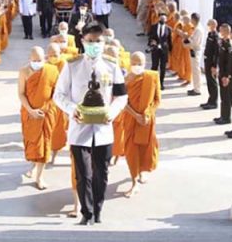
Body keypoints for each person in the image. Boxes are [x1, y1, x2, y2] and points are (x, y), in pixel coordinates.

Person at [54, 22, 128, 226]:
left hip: (103, 128)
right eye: (90, 41)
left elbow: (122, 96)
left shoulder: (112, 66)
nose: (94, 45)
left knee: (101, 173)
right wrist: (72, 109)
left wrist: (112, 112)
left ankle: (98, 209)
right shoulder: (72, 65)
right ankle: (86, 213)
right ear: (83, 41)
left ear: (104, 42)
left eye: (98, 41)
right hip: (79, 128)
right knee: (83, 174)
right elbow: (58, 95)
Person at [18, 46, 59, 190]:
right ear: (30, 59)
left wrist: (45, 108)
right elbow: (21, 94)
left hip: (46, 113)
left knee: (44, 144)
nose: (37, 63)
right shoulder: (24, 71)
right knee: (32, 143)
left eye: (39, 60)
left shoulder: (52, 70)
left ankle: (40, 177)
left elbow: (57, 93)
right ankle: (34, 165)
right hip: (29, 113)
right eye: (34, 60)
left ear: (45, 58)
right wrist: (31, 110)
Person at [122, 51, 160, 198]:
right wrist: (136, 115)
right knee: (131, 151)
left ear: (145, 64)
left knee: (146, 147)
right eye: (134, 63)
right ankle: (134, 182)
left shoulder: (152, 77)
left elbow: (157, 100)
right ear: (130, 63)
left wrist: (147, 114)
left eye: (140, 63)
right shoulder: (125, 80)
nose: (137, 66)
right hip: (131, 119)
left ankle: (143, 170)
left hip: (147, 120)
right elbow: (122, 101)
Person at [148, 12, 172, 91]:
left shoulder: (168, 29)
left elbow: (169, 40)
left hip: (164, 50)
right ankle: (152, 82)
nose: (162, 20)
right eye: (161, 18)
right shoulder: (153, 27)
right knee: (154, 65)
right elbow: (150, 37)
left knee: (163, 67)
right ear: (158, 18)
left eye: (164, 19)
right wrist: (151, 43)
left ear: (166, 20)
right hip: (155, 49)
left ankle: (161, 83)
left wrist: (170, 50)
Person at [214, 24, 232, 125]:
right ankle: (223, 115)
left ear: (226, 32)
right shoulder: (222, 42)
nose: (220, 33)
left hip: (225, 74)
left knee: (226, 97)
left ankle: (226, 117)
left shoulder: (229, 45)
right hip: (221, 72)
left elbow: (229, 62)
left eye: (221, 31)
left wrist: (226, 76)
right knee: (223, 96)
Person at [201, 19, 220, 110]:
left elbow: (216, 52)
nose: (208, 26)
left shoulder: (216, 36)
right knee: (209, 81)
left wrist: (214, 65)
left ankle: (214, 102)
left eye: (210, 24)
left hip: (211, 62)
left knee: (212, 82)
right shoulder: (210, 34)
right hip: (207, 60)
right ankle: (210, 100)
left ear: (214, 25)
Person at [187, 13, 204, 98]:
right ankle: (195, 87)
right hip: (193, 50)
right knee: (194, 70)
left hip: (195, 50)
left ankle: (197, 89)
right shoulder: (196, 28)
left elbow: (195, 42)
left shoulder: (198, 30)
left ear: (193, 20)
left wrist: (187, 43)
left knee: (196, 70)